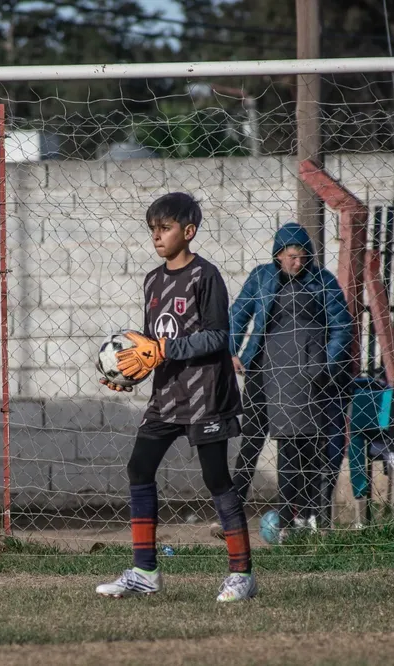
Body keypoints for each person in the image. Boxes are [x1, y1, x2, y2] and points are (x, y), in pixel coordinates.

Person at [95, 192, 256, 602]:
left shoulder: (207, 277)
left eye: (164, 228)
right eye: (152, 229)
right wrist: (129, 373)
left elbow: (219, 336)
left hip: (206, 395)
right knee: (139, 468)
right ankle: (144, 571)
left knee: (216, 478)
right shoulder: (152, 280)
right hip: (166, 395)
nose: (157, 236)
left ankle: (242, 575)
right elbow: (152, 342)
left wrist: (164, 351)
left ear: (188, 232)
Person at [227, 222, 353, 535]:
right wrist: (231, 351)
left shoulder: (323, 282)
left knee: (302, 445)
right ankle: (230, 511)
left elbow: (342, 327)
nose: (298, 262)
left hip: (306, 377)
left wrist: (325, 365)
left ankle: (303, 517)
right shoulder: (262, 277)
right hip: (262, 372)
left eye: (303, 256)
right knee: (251, 441)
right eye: (292, 256)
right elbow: (238, 315)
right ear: (278, 255)